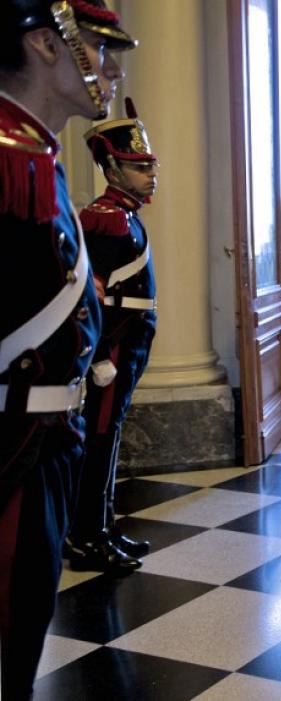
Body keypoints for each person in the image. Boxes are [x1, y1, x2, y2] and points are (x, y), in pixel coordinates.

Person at [0, 1, 134, 696]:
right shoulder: (5, 154)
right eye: (99, 48)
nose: (111, 67)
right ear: (44, 44)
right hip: (12, 440)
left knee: (22, 630)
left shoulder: (36, 155)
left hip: (46, 437)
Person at [64, 97, 159, 574]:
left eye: (150, 166)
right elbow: (95, 297)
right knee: (100, 439)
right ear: (112, 168)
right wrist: (100, 355)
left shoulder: (126, 215)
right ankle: (85, 538)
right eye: (138, 167)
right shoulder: (107, 217)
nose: (150, 175)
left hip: (128, 346)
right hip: (114, 346)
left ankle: (102, 525)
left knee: (111, 435)